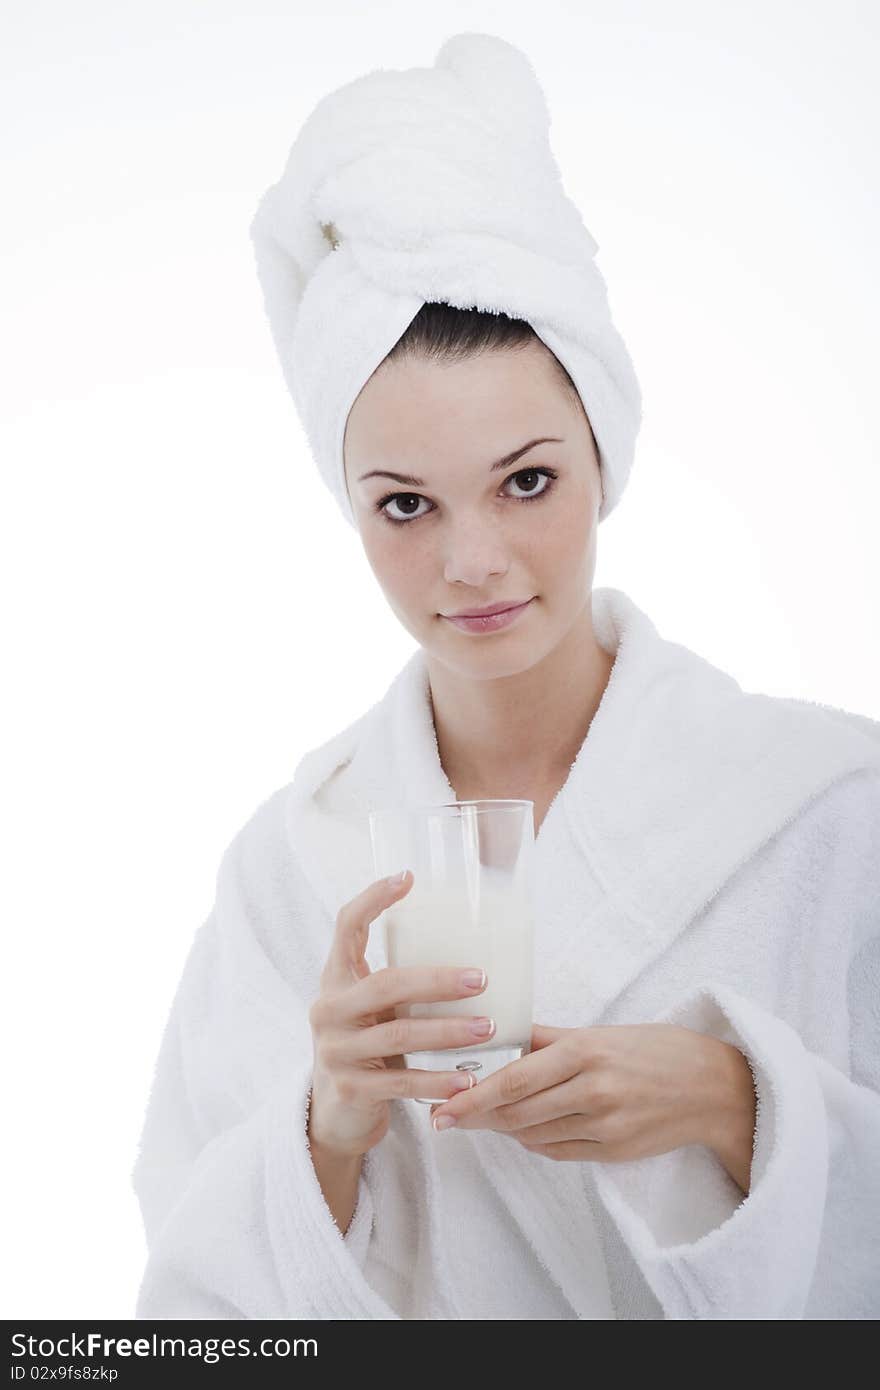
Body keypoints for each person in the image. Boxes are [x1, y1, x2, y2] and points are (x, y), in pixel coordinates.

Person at [131, 34, 880, 1320]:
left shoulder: (827, 807)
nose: (471, 562)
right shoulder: (289, 866)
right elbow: (185, 1302)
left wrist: (730, 1097)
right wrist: (327, 1126)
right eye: (405, 503)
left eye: (525, 481)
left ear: (604, 453)